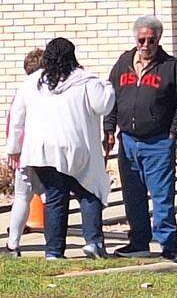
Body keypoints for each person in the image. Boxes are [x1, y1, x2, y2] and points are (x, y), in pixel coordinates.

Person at [6, 38, 115, 260]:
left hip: (42, 151)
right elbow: (103, 105)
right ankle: (93, 242)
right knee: (89, 192)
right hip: (77, 148)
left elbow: (17, 116)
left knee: (55, 198)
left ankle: (54, 252)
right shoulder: (84, 79)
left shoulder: (32, 82)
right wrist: (109, 87)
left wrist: (14, 149)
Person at [103, 15, 177, 260]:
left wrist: (174, 133)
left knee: (162, 196)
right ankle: (139, 241)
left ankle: (168, 245)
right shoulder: (124, 62)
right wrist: (109, 129)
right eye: (141, 40)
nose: (145, 45)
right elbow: (111, 97)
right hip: (128, 141)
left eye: (150, 40)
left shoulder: (170, 66)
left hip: (158, 142)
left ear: (158, 40)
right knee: (133, 196)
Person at [2, 49, 45, 257]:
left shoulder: (23, 89)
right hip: (47, 152)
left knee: (21, 197)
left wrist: (13, 150)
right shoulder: (52, 90)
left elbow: (14, 122)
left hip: (26, 152)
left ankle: (13, 244)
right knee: (50, 196)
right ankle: (55, 242)